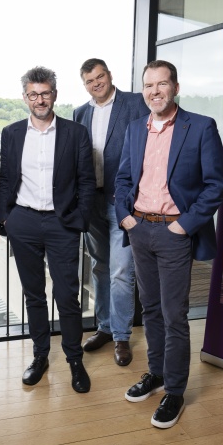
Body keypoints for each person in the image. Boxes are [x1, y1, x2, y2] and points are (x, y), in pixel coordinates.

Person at [115, 60, 223, 429]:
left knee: (174, 315)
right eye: (149, 85)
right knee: (148, 310)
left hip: (173, 232)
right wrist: (126, 217)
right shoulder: (135, 128)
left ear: (175, 88)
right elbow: (123, 179)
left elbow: (216, 185)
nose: (155, 92)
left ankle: (175, 391)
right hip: (139, 229)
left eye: (162, 84)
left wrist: (184, 225)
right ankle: (157, 373)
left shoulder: (201, 127)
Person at [0, 66, 95, 393]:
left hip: (62, 222)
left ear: (55, 94)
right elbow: (6, 181)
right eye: (33, 94)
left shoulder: (75, 133)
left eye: (46, 93)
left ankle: (74, 359)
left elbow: (86, 181)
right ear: (25, 96)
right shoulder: (11, 133)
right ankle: (40, 356)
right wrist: (7, 218)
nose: (40, 99)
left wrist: (79, 219)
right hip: (23, 221)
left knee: (67, 294)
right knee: (33, 293)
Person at [72, 58, 150, 366]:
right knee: (100, 267)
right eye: (90, 81)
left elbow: (148, 147)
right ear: (85, 85)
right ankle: (104, 327)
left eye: (100, 77)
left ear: (109, 75)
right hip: (91, 202)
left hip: (123, 202)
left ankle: (121, 336)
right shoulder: (80, 113)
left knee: (120, 270)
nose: (96, 84)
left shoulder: (134, 103)